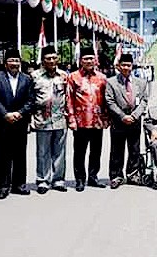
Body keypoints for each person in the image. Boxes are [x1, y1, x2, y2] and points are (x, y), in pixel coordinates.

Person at [0, 49, 33, 199]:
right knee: (2, 155)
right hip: (2, 122)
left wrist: (20, 113)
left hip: (20, 122)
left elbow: (30, 100)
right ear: (5, 63)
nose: (14, 64)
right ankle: (2, 186)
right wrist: (5, 114)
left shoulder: (27, 79)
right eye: (11, 61)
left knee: (20, 154)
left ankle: (19, 184)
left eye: (17, 61)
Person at [67, 47, 110, 191]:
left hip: (97, 121)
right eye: (86, 59)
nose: (89, 61)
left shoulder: (102, 78)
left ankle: (93, 177)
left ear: (95, 60)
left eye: (91, 58)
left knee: (96, 151)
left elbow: (105, 100)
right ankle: (79, 179)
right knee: (79, 152)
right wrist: (71, 119)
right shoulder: (73, 77)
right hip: (80, 122)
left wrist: (106, 118)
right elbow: (69, 99)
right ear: (80, 61)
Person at [105, 53, 148, 189]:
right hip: (119, 120)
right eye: (123, 65)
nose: (126, 67)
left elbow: (144, 101)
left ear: (132, 66)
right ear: (118, 66)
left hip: (135, 120)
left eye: (128, 65)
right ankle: (116, 175)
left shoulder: (141, 83)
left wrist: (134, 116)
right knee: (117, 149)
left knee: (134, 148)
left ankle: (133, 174)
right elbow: (110, 101)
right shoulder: (111, 82)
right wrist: (122, 116)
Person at [31, 45, 68, 194]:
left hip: (59, 119)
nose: (51, 61)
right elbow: (30, 98)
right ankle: (43, 180)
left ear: (58, 59)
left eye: (54, 58)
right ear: (43, 60)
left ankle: (58, 180)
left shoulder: (64, 76)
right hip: (42, 120)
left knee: (59, 152)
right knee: (42, 152)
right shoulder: (35, 76)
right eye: (48, 58)